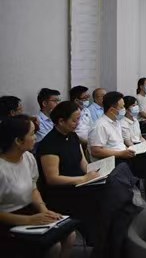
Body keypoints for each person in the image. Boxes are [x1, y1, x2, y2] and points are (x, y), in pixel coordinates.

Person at [0, 116, 76, 258]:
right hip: (8, 220)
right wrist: (29, 220)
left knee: (70, 234)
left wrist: (44, 210)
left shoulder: (28, 157)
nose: (36, 137)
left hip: (29, 211)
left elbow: (33, 188)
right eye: (32, 134)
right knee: (53, 246)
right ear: (18, 141)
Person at [89, 91, 146, 208]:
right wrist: (121, 154)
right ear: (112, 109)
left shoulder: (116, 122)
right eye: (122, 107)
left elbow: (121, 143)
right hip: (112, 161)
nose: (124, 109)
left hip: (124, 156)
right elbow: (96, 151)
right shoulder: (100, 125)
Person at [36, 101, 104, 243]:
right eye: (74, 120)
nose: (78, 123)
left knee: (108, 187)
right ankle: (96, 241)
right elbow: (52, 178)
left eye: (79, 119)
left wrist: (96, 173)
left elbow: (82, 162)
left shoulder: (73, 136)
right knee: (97, 200)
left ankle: (105, 238)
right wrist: (83, 179)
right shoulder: (49, 144)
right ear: (61, 121)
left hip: (80, 184)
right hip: (62, 192)